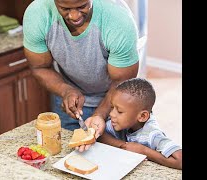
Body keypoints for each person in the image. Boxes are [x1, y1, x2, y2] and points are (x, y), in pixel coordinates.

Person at [22, 0, 139, 151]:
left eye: (82, 6)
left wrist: (100, 114)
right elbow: (39, 67)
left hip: (117, 102)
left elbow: (122, 82)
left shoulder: (117, 20)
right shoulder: (38, 14)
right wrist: (65, 90)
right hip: (68, 101)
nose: (74, 15)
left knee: (118, 159)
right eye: (64, 8)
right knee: (66, 157)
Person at [99, 78, 182, 170]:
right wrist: (124, 145)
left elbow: (180, 160)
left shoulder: (152, 135)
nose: (111, 114)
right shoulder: (122, 122)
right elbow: (100, 134)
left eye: (119, 111)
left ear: (142, 116)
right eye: (112, 107)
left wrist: (144, 151)